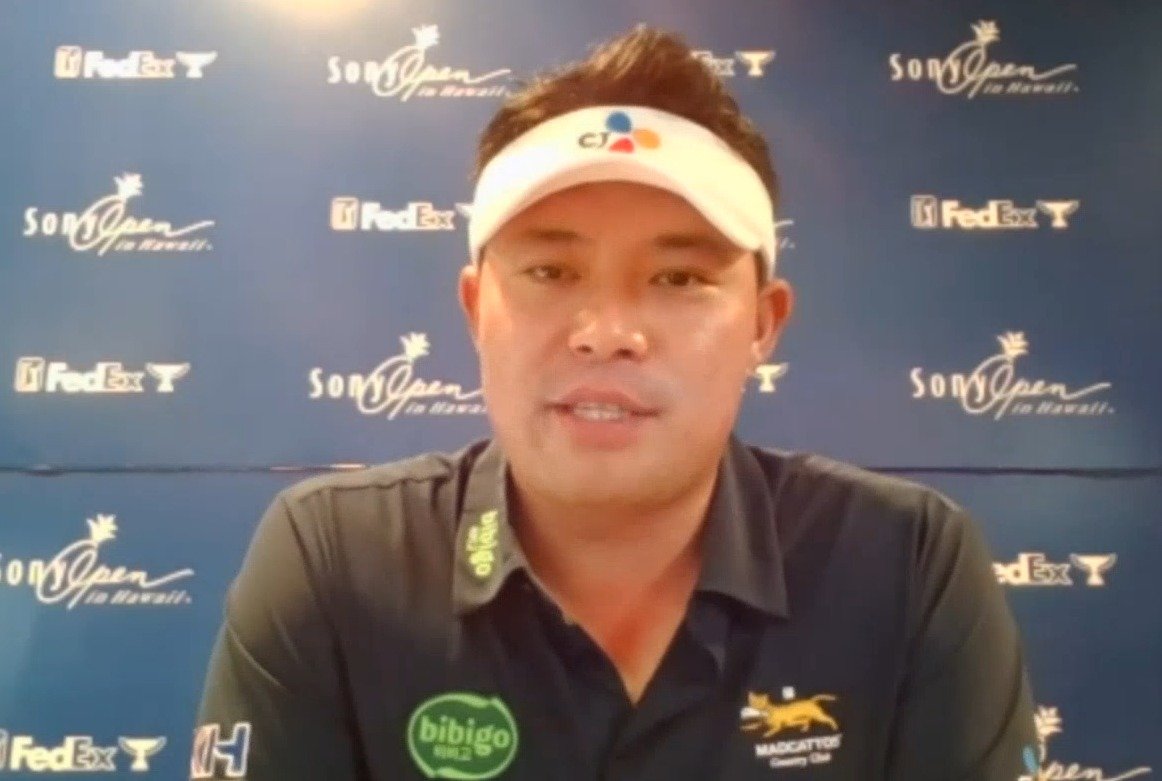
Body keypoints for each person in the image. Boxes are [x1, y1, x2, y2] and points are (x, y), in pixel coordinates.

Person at [191, 25, 1036, 781]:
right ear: (476, 308)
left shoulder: (906, 566)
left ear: (762, 323)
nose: (606, 333)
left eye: (679, 278)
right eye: (551, 271)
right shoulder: (336, 563)